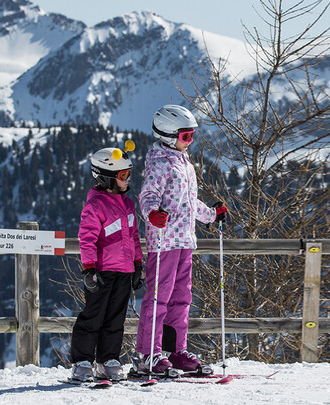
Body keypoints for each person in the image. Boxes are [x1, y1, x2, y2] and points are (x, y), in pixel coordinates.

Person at [134, 105, 228, 376]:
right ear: (166, 135)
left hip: (185, 240)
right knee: (157, 298)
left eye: (192, 136)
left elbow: (188, 203)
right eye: (186, 136)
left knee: (182, 298)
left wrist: (211, 215)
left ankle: (176, 351)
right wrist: (153, 214)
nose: (190, 141)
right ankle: (147, 355)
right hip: (164, 242)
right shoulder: (159, 163)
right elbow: (148, 195)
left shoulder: (184, 163)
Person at [72, 145, 145, 382]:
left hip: (124, 271)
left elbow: (134, 236)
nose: (128, 179)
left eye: (129, 173)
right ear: (107, 178)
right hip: (102, 271)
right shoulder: (95, 205)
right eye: (123, 175)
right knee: (93, 316)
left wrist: (138, 265)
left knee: (116, 317)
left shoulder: (128, 204)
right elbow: (87, 238)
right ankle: (82, 361)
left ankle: (108, 360)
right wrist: (89, 269)